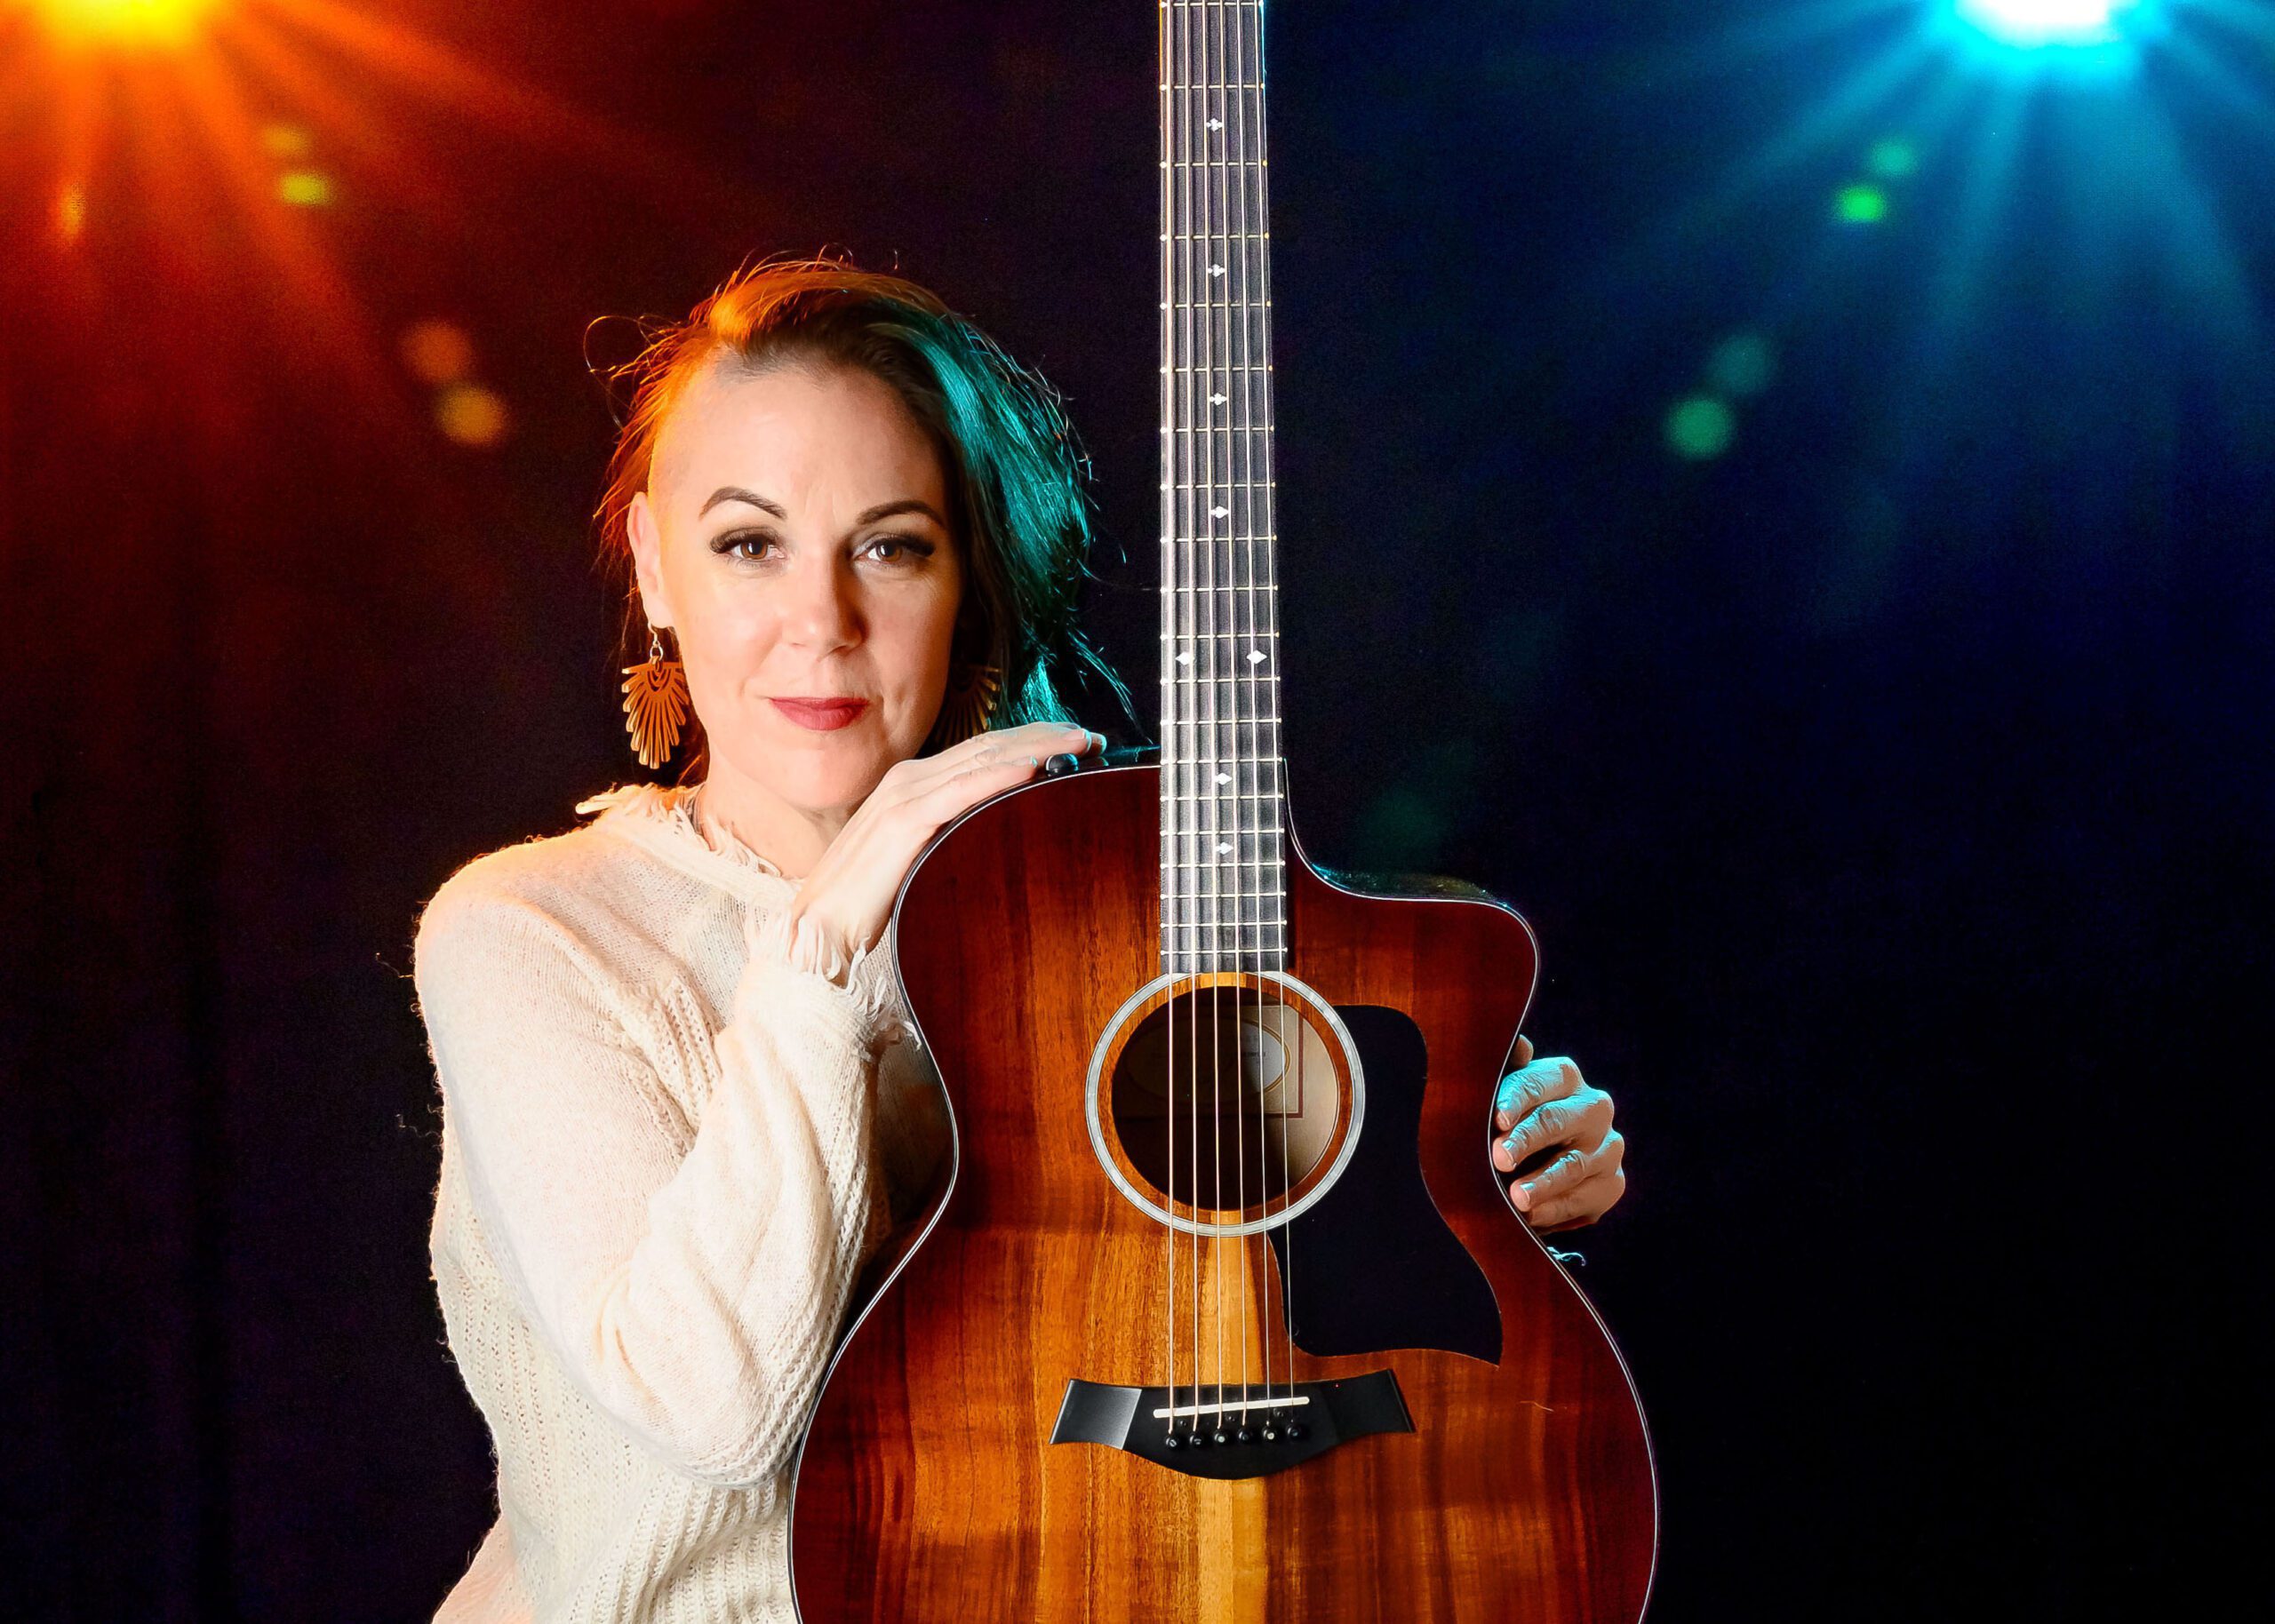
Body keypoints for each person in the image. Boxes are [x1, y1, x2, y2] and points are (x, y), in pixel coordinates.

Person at [411, 259, 1627, 1623]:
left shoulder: (1098, 904)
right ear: (655, 563)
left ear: (963, 573)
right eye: (749, 543)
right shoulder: (527, 931)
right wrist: (821, 945)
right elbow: (717, 1415)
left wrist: (1487, 1177)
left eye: (891, 544)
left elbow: (1255, 1315)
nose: (821, 621)